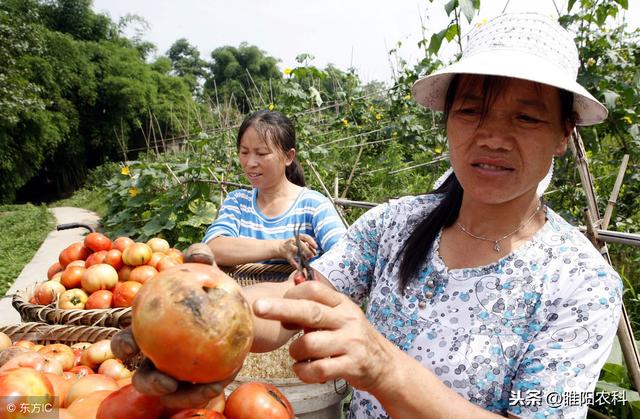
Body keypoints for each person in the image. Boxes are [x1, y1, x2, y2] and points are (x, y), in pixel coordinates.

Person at [113, 12, 622, 419]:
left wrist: (385, 370)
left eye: (526, 116)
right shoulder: (396, 225)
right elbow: (297, 305)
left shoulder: (581, 285)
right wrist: (197, 323)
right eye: (471, 111)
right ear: (447, 121)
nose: (491, 136)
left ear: (563, 134)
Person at [202, 109, 346, 267]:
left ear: (288, 157)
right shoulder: (238, 203)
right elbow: (212, 248)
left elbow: (345, 257)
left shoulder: (314, 206)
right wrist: (279, 248)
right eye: (244, 152)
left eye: (262, 153)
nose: (250, 163)